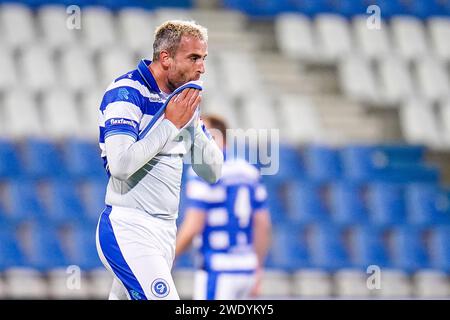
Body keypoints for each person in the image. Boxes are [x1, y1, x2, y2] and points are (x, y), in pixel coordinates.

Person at [95, 20, 224, 300]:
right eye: (193, 58)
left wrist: (189, 125)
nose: (201, 68)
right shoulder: (126, 93)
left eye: (203, 59)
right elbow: (120, 166)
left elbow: (213, 171)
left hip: (165, 230)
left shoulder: (181, 102)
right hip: (129, 226)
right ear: (165, 58)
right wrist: (170, 124)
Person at [175, 115, 272, 300]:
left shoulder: (203, 170)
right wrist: (258, 268)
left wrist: (171, 255)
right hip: (246, 268)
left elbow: (194, 224)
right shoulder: (249, 171)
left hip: (218, 268)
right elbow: (263, 224)